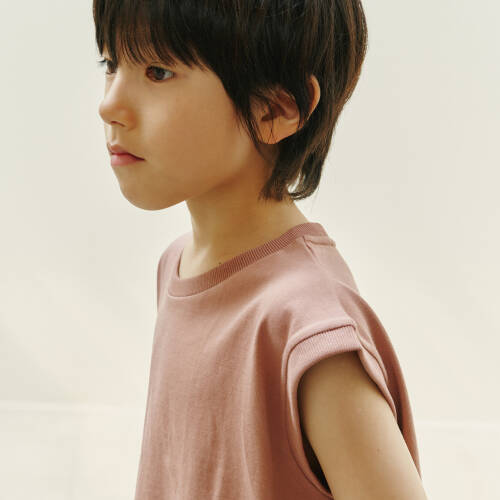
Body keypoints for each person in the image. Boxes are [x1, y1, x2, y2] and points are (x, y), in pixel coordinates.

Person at [94, 1, 428, 498]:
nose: (109, 105)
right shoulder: (176, 267)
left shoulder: (308, 331)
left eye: (158, 71)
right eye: (110, 63)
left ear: (276, 109)